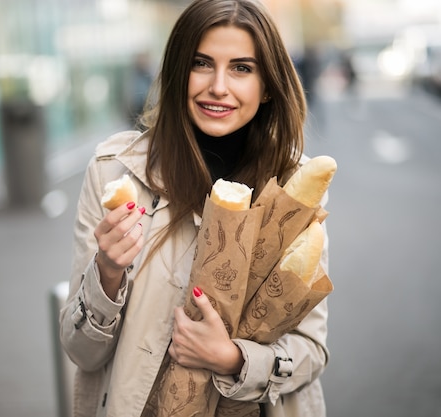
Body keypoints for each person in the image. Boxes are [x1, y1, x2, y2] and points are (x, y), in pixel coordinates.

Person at [59, 1, 331, 416]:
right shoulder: (115, 172)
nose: (218, 86)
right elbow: (83, 353)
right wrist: (107, 274)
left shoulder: (296, 187)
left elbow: (311, 350)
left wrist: (232, 359)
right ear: (177, 72)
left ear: (269, 85)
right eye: (201, 63)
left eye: (241, 68)